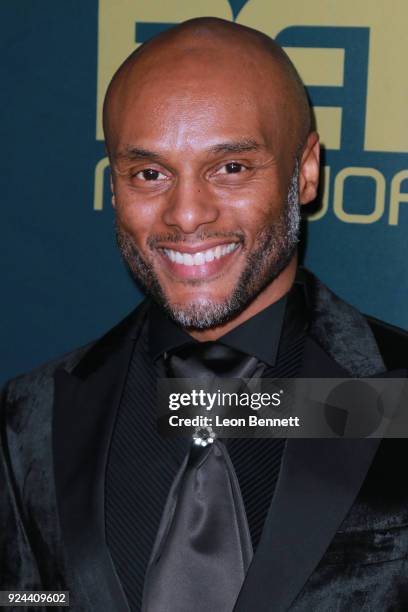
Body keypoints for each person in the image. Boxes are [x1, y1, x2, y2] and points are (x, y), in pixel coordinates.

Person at [1, 17, 407, 612]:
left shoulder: (397, 392)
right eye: (150, 174)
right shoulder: (29, 418)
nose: (186, 214)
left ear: (307, 171)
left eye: (232, 168)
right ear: (114, 186)